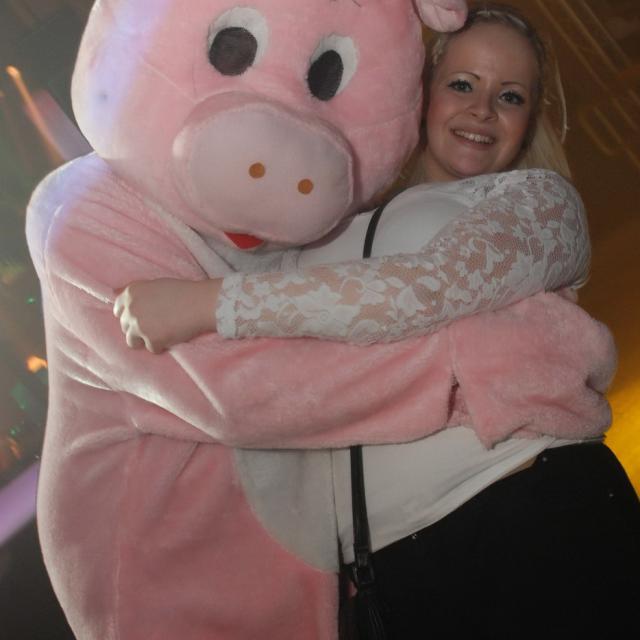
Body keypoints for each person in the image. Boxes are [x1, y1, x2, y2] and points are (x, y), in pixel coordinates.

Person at [115, 4, 639, 637]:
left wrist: (207, 304)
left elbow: (425, 289)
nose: (482, 110)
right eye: (462, 84)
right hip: (395, 569)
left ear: (529, 120)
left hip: (532, 512)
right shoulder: (320, 231)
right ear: (422, 93)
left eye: (510, 96)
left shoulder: (541, 203)